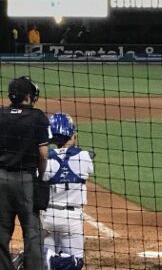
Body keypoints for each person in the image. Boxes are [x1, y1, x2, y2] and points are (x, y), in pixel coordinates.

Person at [0, 76, 49, 270]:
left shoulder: (1, 114)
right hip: (25, 180)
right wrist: (40, 177)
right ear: (28, 96)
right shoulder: (37, 116)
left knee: (2, 231)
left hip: (1, 178)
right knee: (33, 232)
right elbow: (43, 155)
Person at [41, 112, 94, 270]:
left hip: (48, 217)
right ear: (72, 135)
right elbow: (86, 164)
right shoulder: (84, 157)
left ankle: (47, 259)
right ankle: (52, 261)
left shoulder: (45, 159)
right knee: (76, 262)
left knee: (46, 261)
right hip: (71, 219)